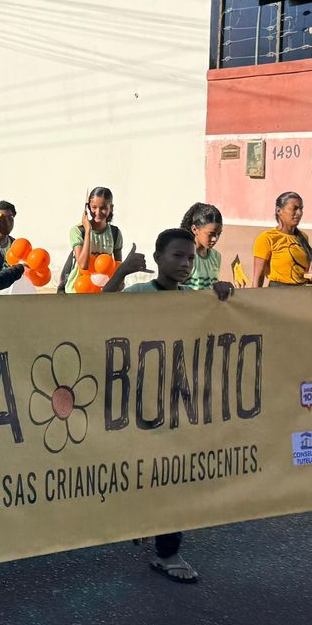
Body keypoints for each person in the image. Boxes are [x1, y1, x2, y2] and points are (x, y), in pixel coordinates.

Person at [104, 228, 231, 582]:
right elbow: (94, 309)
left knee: (173, 475)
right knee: (141, 471)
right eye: (177, 256)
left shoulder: (197, 300)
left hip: (177, 405)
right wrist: (122, 271)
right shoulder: (139, 293)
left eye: (191, 257)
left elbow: (225, 324)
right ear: (158, 258)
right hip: (137, 403)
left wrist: (223, 294)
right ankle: (142, 521)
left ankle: (168, 551)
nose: (185, 264)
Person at [66, 187, 123, 293]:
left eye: (103, 208)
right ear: (87, 208)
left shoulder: (115, 233)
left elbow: (118, 267)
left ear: (111, 208)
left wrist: (119, 284)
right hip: (78, 291)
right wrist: (88, 231)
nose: (98, 212)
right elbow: (83, 264)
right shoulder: (78, 231)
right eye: (94, 207)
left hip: (102, 292)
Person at [253, 192, 312, 287]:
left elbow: (299, 274)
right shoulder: (267, 237)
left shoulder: (303, 237)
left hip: (301, 294)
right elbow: (258, 277)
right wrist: (255, 299)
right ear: (279, 211)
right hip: (278, 294)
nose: (299, 213)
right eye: (295, 208)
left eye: (301, 209)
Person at [179, 203, 224, 292]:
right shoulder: (186, 257)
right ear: (195, 230)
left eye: (219, 234)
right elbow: (175, 290)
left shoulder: (216, 256)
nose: (215, 239)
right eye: (210, 234)